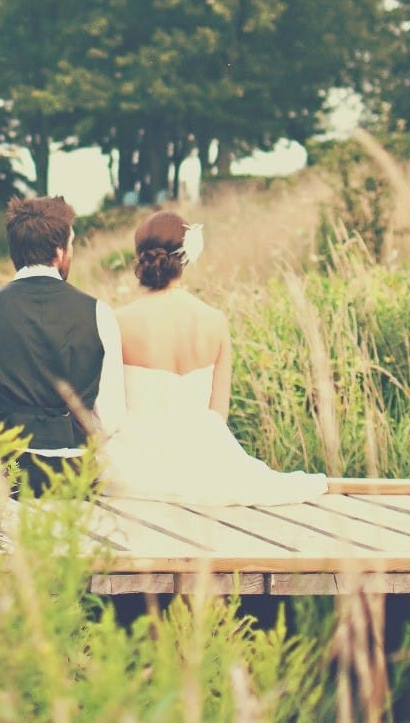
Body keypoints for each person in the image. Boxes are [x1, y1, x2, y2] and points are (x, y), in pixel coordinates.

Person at [99, 211, 327, 505]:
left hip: (135, 461)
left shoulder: (119, 321)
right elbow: (219, 412)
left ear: (140, 257)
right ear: (187, 256)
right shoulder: (214, 321)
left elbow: (108, 408)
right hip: (203, 457)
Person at [0, 196, 126, 497]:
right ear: (60, 251)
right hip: (74, 476)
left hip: (4, 472)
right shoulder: (100, 313)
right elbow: (113, 418)